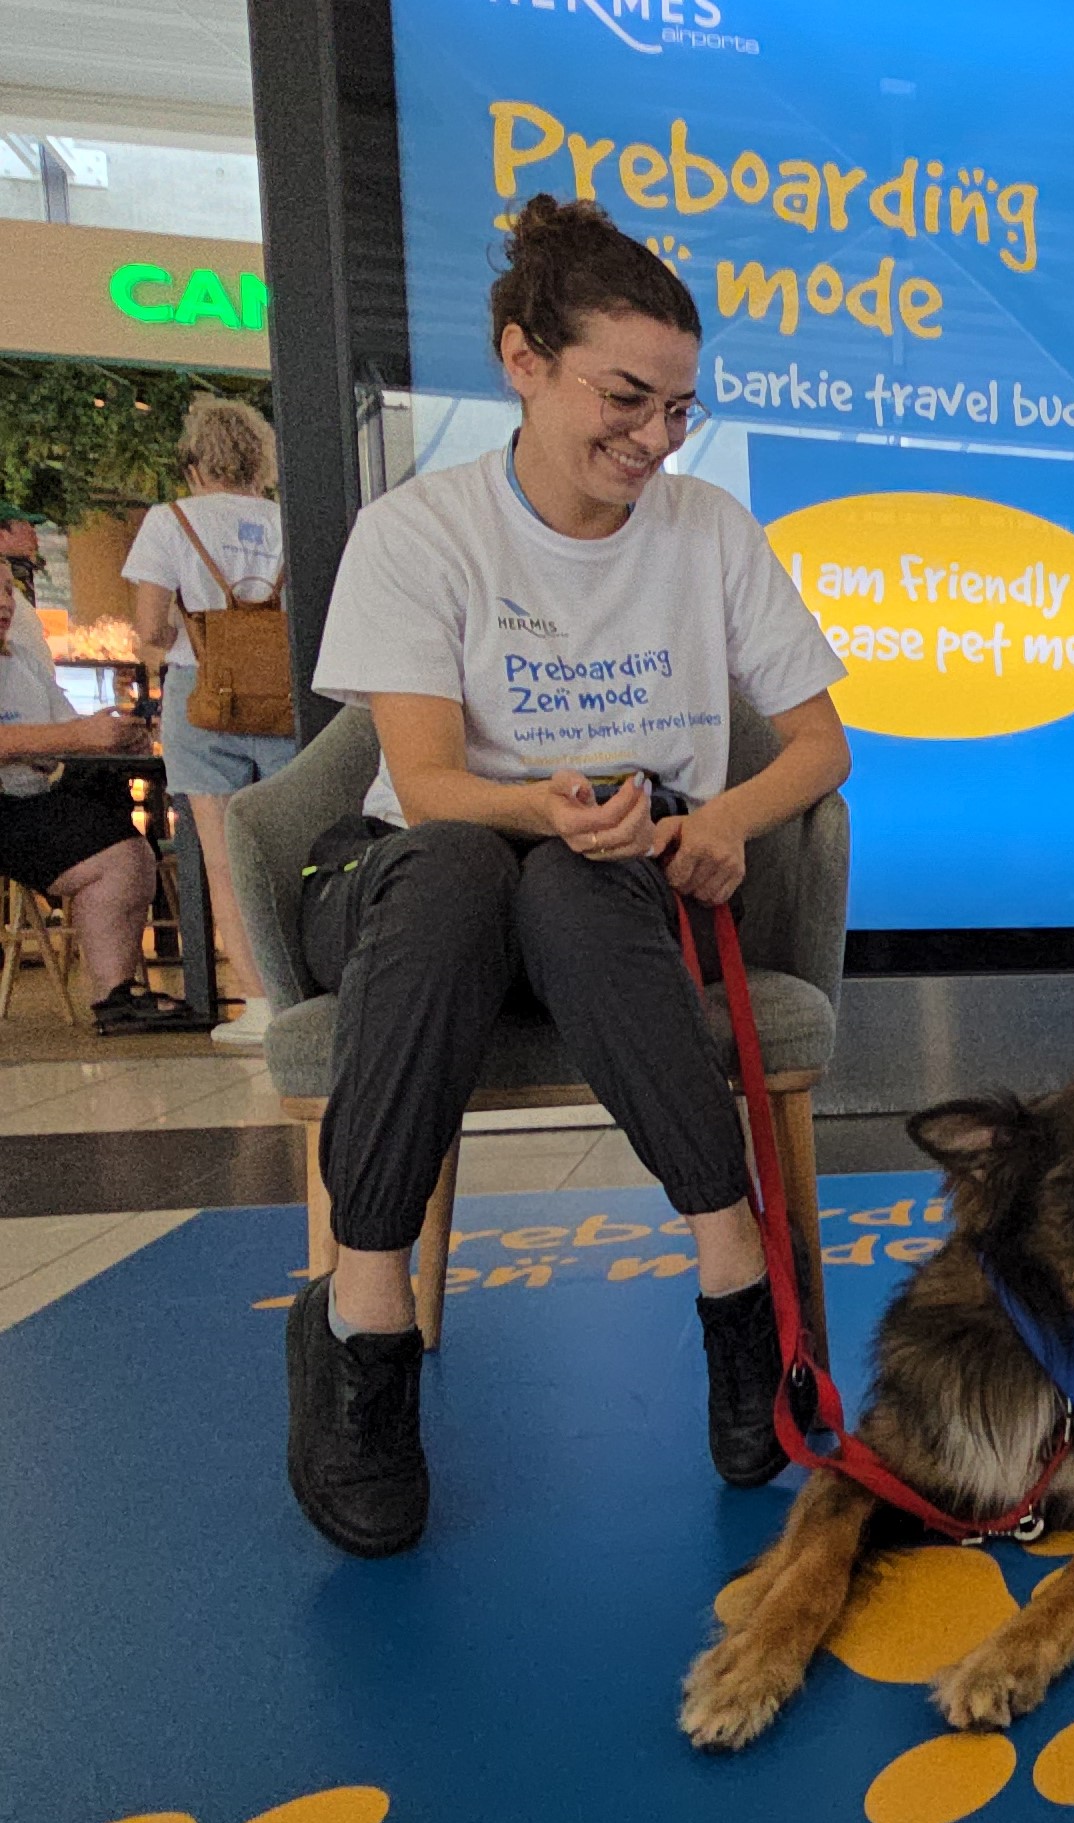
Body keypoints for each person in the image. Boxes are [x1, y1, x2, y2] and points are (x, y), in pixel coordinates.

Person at [286, 195, 852, 1559]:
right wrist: (548, 801)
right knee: (476, 866)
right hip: (410, 878)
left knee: (569, 885)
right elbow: (425, 788)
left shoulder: (709, 529)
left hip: (614, 876)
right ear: (522, 360)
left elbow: (821, 746)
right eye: (626, 396)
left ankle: (732, 1274)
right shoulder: (420, 531)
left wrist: (721, 814)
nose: (655, 439)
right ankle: (367, 1323)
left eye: (678, 408)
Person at [123, 396, 297, 1049]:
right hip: (282, 690)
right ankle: (306, 989)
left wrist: (183, 634)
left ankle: (260, 1004)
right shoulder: (288, 520)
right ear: (261, 461)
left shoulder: (169, 523)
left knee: (223, 858)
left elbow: (149, 627)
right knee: (290, 846)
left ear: (195, 464)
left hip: (203, 691)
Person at [0, 549, 184, 1032]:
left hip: (25, 797)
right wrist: (74, 739)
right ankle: (113, 994)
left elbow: (66, 727)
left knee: (126, 852)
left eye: (7, 591)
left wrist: (117, 734)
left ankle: (115, 995)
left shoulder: (22, 662)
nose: (5, 603)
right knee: (117, 854)